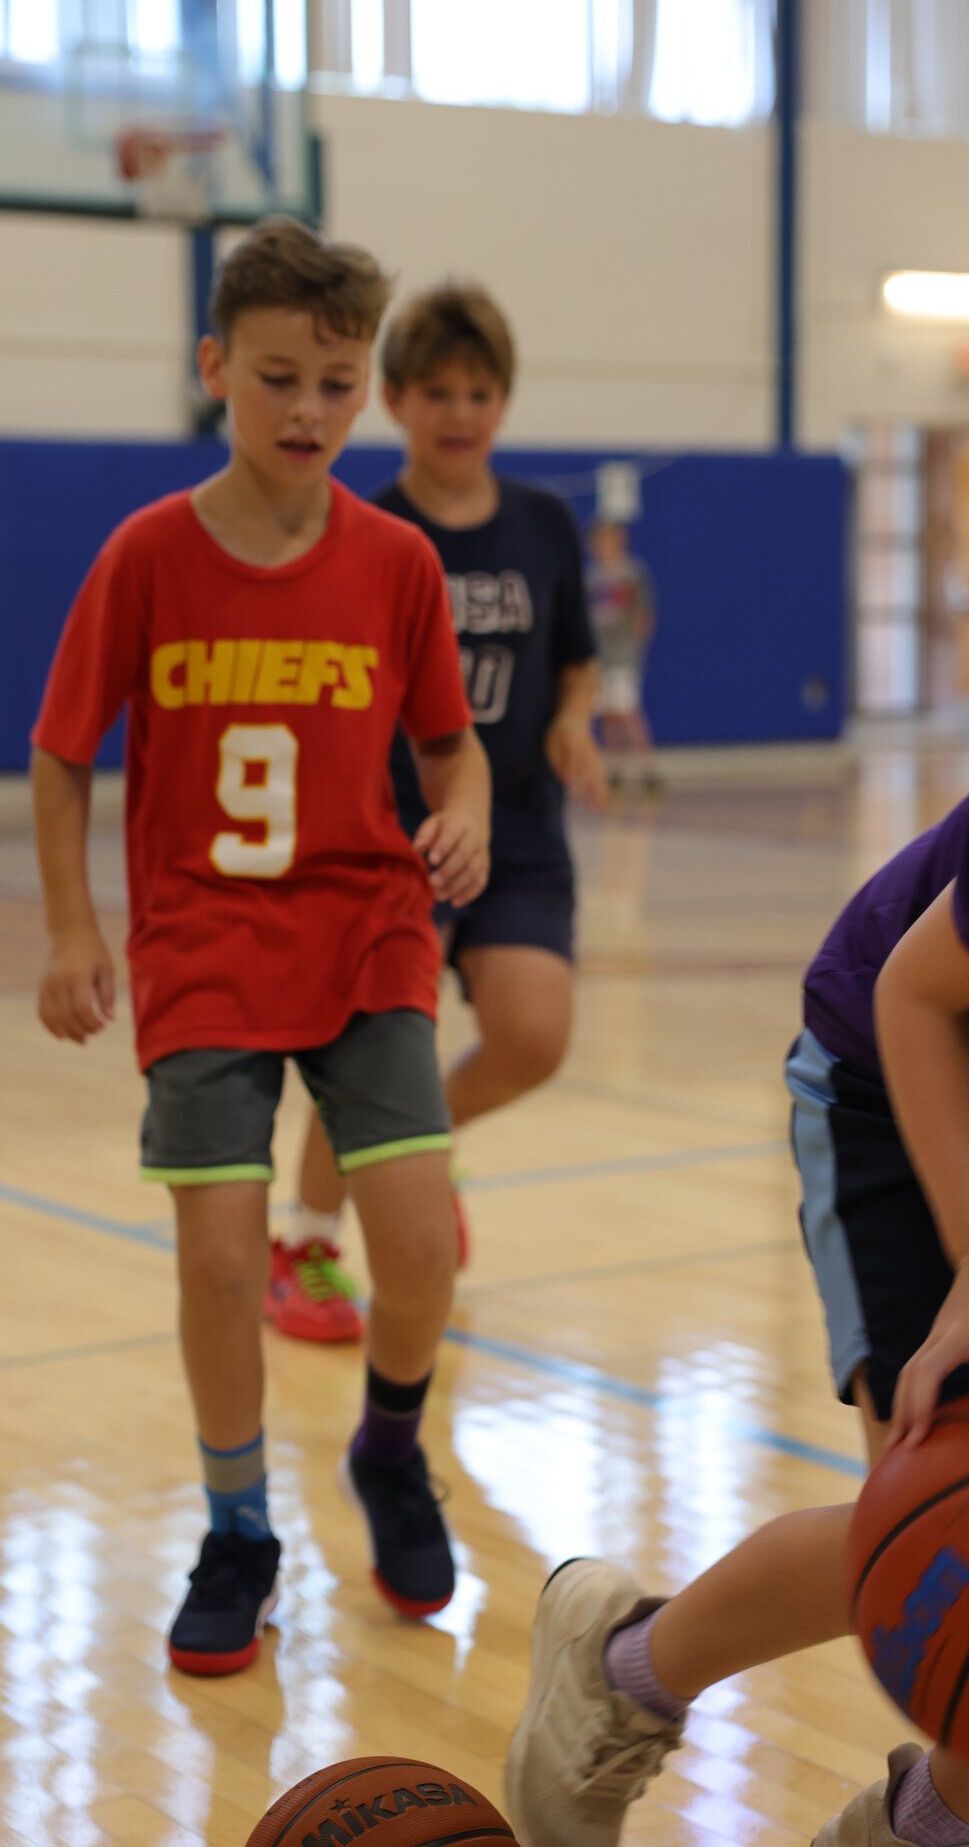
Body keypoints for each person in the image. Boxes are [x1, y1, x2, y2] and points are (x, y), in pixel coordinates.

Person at [503, 643, 969, 1847]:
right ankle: (622, 1671)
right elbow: (917, 997)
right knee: (966, 1517)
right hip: (904, 1083)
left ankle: (914, 1832)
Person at [31, 217, 492, 1676]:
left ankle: (390, 1448)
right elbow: (60, 752)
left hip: (364, 935)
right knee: (224, 1263)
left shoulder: (396, 562)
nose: (307, 411)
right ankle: (238, 1530)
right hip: (206, 947)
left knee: (415, 1243)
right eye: (278, 377)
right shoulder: (147, 556)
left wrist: (466, 814)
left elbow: (450, 745)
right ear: (213, 367)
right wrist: (73, 926)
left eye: (337, 385)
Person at [269, 281, 606, 1345]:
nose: (460, 413)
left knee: (534, 1035)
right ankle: (304, 1244)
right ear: (396, 401)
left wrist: (574, 723)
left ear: (502, 401)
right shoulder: (363, 531)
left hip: (518, 831)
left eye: (479, 393)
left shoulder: (543, 522)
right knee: (374, 1063)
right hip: (392, 834)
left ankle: (422, 1150)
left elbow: (577, 661)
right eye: (437, 393)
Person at [585, 517, 657, 792]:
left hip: (623, 654)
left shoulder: (632, 573)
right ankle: (614, 769)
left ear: (620, 542)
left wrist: (636, 647)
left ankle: (647, 769)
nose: (604, 546)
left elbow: (643, 614)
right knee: (608, 713)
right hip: (599, 655)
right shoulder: (591, 577)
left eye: (609, 540)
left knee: (628, 711)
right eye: (599, 541)